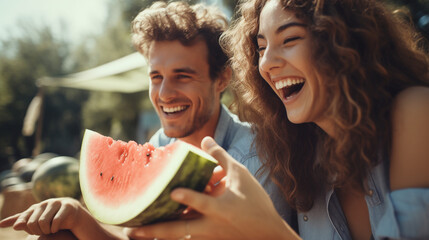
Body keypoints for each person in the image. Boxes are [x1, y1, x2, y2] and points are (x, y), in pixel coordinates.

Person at [124, 0, 429, 239]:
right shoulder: (302, 159)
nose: (267, 63)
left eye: (290, 39)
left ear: (343, 41)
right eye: (260, 48)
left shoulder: (414, 111)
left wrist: (269, 232)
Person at [0, 1, 293, 239]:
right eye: (156, 77)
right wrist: (78, 217)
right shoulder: (161, 144)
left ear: (221, 79)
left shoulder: (257, 158)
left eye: (182, 76)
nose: (164, 94)